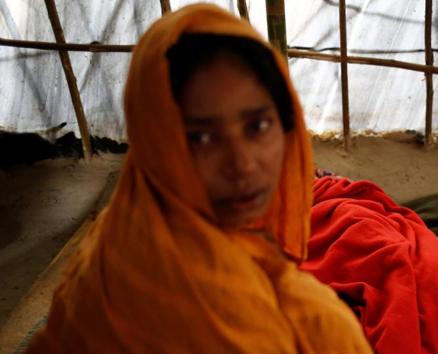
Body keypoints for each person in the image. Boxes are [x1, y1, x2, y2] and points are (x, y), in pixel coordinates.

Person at [25, 4, 372, 353]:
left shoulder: (115, 237)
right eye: (201, 138)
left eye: (257, 126)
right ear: (156, 142)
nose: (242, 165)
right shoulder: (157, 289)